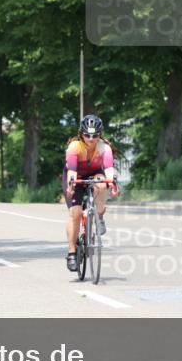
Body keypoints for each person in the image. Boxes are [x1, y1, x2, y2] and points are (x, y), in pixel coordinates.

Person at [63, 114, 118, 272]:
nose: (91, 139)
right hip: (76, 176)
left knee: (102, 184)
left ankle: (99, 215)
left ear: (100, 135)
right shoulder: (74, 147)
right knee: (75, 214)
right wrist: (71, 186)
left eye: (95, 135)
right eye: (87, 135)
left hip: (95, 174)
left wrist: (112, 184)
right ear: (81, 134)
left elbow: (108, 170)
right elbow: (72, 172)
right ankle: (72, 252)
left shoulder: (104, 148)